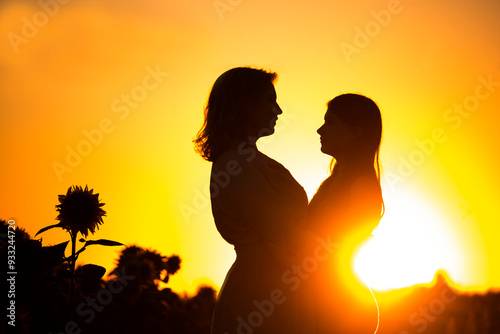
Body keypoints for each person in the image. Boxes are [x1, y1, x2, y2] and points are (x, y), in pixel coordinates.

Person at [194, 67, 312, 334]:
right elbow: (284, 238)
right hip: (261, 298)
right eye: (270, 100)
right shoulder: (236, 165)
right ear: (244, 105)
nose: (278, 110)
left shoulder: (248, 161)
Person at [307, 93, 384, 334]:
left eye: (330, 123)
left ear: (355, 132)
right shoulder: (333, 182)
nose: (320, 130)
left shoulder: (361, 185)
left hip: (342, 306)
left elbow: (336, 248)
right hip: (326, 300)